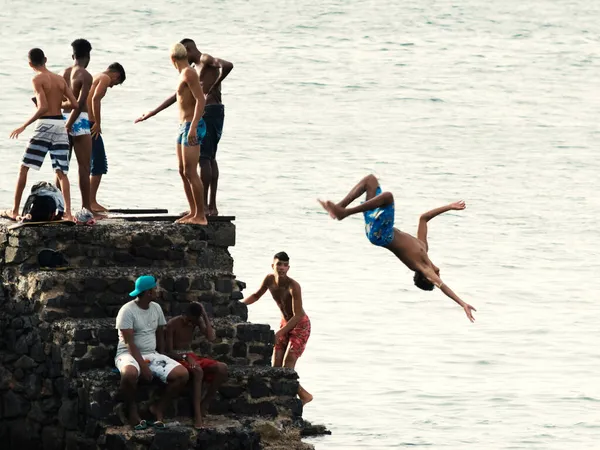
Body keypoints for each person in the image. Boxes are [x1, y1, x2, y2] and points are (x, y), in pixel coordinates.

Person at [318, 174, 477, 322]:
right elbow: (424, 218)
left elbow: (443, 287)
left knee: (388, 197)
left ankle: (345, 213)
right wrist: (449, 206)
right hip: (377, 225)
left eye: (436, 277)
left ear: (427, 278)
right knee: (370, 180)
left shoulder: (422, 267)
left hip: (382, 234)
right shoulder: (423, 247)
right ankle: (339, 209)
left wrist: (462, 303)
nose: (439, 274)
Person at [135, 38, 233, 217]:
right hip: (209, 112)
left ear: (187, 49)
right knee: (208, 158)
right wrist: (153, 112)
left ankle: (205, 208)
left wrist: (213, 86)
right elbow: (177, 96)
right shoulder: (193, 71)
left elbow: (227, 65)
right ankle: (205, 207)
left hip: (210, 111)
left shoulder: (204, 59)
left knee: (205, 158)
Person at [3, 48, 78, 222]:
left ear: (30, 64)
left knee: (24, 167)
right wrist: (58, 102)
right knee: (61, 172)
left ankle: (14, 211)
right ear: (46, 59)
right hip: (60, 125)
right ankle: (68, 213)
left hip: (45, 124)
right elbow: (73, 104)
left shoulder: (37, 79)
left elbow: (43, 107)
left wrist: (24, 125)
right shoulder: (59, 79)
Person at [114, 275, 189, 430]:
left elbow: (160, 333)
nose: (157, 290)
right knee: (129, 375)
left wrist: (162, 354)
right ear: (148, 292)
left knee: (183, 374)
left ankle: (158, 408)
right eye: (154, 288)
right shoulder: (127, 311)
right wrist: (143, 366)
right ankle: (132, 410)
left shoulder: (156, 308)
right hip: (127, 353)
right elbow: (129, 343)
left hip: (151, 354)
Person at [242, 252, 313, 405]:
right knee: (276, 366)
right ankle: (289, 396)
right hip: (285, 322)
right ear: (272, 265)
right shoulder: (269, 279)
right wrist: (240, 304)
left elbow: (298, 314)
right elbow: (256, 295)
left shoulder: (293, 286)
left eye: (285, 265)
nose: (281, 268)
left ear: (288, 268)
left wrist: (279, 333)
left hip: (300, 324)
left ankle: (303, 397)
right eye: (279, 264)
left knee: (288, 366)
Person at [165, 302, 228, 429]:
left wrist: (204, 315)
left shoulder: (196, 321)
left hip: (192, 356)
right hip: (178, 358)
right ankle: (197, 414)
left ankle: (205, 403)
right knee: (198, 371)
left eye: (193, 321)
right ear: (185, 314)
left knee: (222, 368)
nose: (190, 324)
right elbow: (168, 351)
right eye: (188, 320)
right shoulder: (172, 324)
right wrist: (185, 357)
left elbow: (211, 337)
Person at [164, 43, 207, 224]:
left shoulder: (189, 73)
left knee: (191, 171)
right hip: (183, 126)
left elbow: (201, 100)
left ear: (172, 59)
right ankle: (193, 211)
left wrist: (194, 126)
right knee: (183, 171)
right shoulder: (183, 74)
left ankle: (201, 216)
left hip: (192, 125)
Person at [57, 39, 94, 214]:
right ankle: (86, 209)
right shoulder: (85, 75)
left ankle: (58, 208)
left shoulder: (64, 73)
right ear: (88, 56)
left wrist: (64, 123)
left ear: (73, 55)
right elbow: (79, 104)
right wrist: (70, 124)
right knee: (84, 167)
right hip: (78, 120)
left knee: (61, 168)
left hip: (63, 117)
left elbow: (60, 101)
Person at [86, 62, 126, 213]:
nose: (112, 86)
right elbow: (95, 99)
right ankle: (91, 201)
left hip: (82, 122)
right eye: (116, 83)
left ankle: (88, 201)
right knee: (99, 162)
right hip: (90, 123)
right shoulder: (104, 78)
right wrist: (97, 122)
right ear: (116, 75)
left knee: (88, 163)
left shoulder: (95, 75)